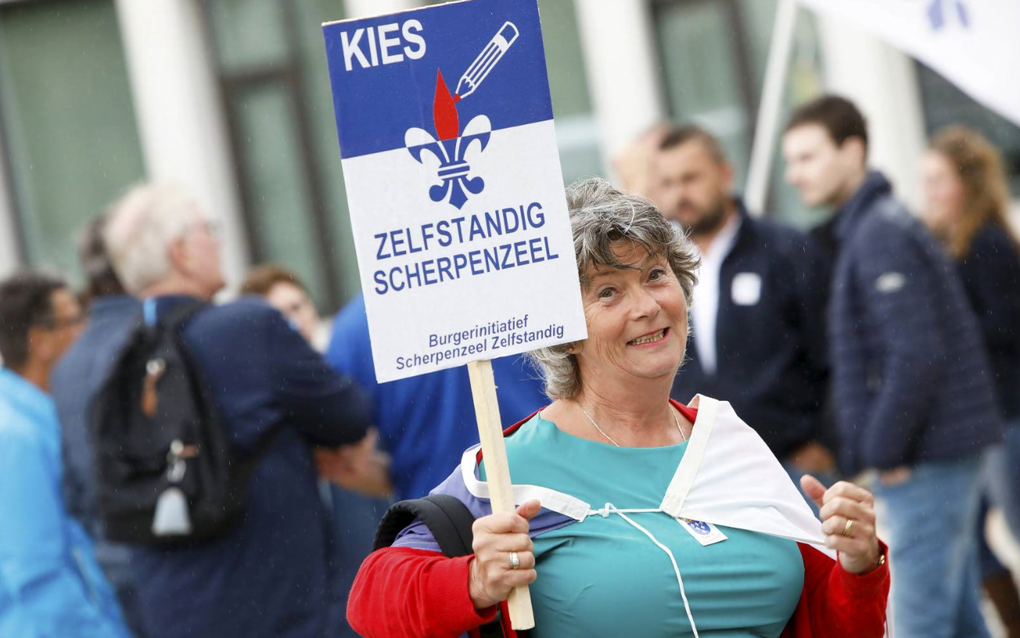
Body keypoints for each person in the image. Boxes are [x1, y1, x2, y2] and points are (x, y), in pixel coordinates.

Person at [347, 178, 889, 638]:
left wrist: (860, 565)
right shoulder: (509, 472)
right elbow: (371, 601)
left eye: (656, 275)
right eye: (607, 292)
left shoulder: (725, 442)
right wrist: (473, 581)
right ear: (563, 332)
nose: (648, 306)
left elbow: (829, 624)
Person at [102, 183, 373, 638]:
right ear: (181, 252)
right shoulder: (248, 326)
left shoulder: (115, 364)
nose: (217, 239)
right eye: (207, 229)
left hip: (175, 617)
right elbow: (349, 413)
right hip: (280, 612)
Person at [783, 95, 1002, 638]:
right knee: (954, 616)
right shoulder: (876, 225)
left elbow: (916, 353)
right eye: (791, 161)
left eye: (807, 158)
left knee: (920, 620)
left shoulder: (880, 231)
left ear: (852, 151)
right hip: (932, 451)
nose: (793, 175)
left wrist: (884, 452)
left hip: (924, 455)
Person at [650, 124, 834, 493]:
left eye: (690, 178)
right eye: (667, 183)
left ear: (724, 174)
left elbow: (833, 356)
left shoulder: (785, 250)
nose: (679, 194)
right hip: (699, 475)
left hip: (792, 467)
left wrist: (829, 442)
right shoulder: (654, 268)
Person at [240, 263, 391, 638]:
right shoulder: (259, 418)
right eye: (277, 317)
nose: (293, 323)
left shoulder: (349, 385)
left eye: (297, 307)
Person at [922, 125, 1020, 637]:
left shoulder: (988, 241)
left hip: (1008, 415)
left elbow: (1008, 322)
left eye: (938, 181)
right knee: (971, 541)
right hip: (979, 421)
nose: (930, 193)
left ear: (967, 182)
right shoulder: (951, 243)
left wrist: (947, 334)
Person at [0, 271, 131, 638]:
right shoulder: (14, 436)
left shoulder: (38, 418)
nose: (87, 331)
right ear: (40, 341)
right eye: (75, 320)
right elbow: (38, 577)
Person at [326, 293, 548, 502]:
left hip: (438, 518)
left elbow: (344, 463)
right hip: (549, 499)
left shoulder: (358, 326)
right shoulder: (526, 291)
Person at [50, 214, 147, 637]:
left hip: (109, 574)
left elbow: (71, 487)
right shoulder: (157, 337)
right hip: (178, 566)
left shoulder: (63, 367)